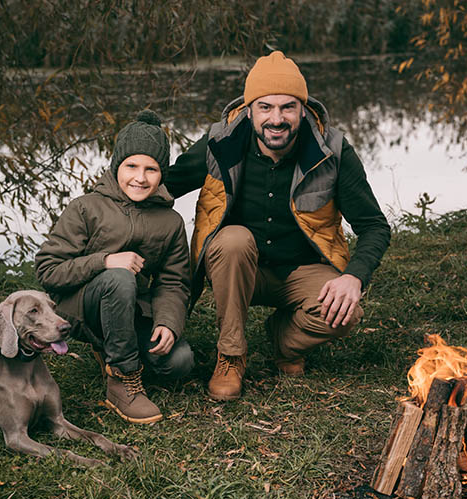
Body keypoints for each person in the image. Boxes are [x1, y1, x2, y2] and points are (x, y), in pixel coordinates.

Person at [165, 51, 391, 401]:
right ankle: (231, 357)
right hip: (240, 271)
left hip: (303, 270)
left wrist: (353, 277)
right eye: (266, 107)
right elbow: (164, 184)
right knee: (233, 240)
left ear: (303, 108)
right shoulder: (219, 143)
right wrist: (113, 197)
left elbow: (374, 225)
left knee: (344, 315)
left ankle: (284, 341)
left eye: (287, 107)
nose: (277, 118)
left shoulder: (332, 149)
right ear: (249, 109)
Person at [35, 110, 193, 424]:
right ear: (116, 166)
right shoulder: (86, 207)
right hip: (81, 309)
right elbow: (48, 270)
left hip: (132, 310)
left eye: (151, 169)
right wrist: (105, 261)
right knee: (119, 278)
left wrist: (168, 322)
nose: (140, 178)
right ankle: (122, 379)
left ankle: (113, 344)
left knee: (181, 362)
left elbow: (174, 283)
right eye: (131, 166)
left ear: (162, 173)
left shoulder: (171, 221)